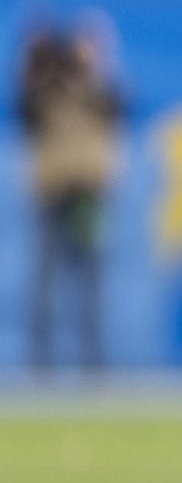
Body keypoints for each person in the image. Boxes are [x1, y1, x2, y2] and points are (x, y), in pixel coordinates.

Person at [19, 19, 122, 373]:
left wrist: (93, 66)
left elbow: (116, 106)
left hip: (88, 190)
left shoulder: (97, 88)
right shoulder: (44, 85)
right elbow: (28, 111)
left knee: (91, 276)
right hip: (53, 188)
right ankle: (41, 359)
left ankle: (92, 359)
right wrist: (39, 63)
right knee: (46, 278)